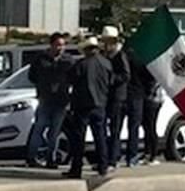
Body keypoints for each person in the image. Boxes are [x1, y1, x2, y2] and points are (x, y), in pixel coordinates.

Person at [63, 36, 113, 179]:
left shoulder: (81, 65)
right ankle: (103, 167)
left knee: (79, 139)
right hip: (100, 104)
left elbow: (70, 79)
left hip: (82, 106)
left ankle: (76, 168)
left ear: (85, 50)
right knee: (100, 137)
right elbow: (110, 82)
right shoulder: (106, 64)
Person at [26, 32, 73, 168]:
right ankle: (31, 157)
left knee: (55, 131)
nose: (60, 48)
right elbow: (32, 76)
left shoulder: (68, 61)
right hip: (45, 99)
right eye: (58, 45)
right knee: (39, 128)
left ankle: (51, 159)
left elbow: (74, 77)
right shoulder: (41, 60)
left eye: (63, 45)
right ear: (51, 45)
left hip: (61, 101)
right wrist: (43, 86)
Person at [101, 26, 129, 170]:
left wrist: (111, 79)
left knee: (115, 128)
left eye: (109, 41)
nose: (106, 44)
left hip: (118, 97)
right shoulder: (104, 54)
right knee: (105, 128)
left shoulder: (120, 55)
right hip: (106, 96)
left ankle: (113, 159)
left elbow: (125, 75)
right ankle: (105, 159)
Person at [125, 51, 156, 167]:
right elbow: (150, 78)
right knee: (136, 127)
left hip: (127, 95)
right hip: (138, 95)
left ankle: (119, 156)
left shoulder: (123, 56)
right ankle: (132, 156)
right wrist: (148, 91)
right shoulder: (143, 58)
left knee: (121, 128)